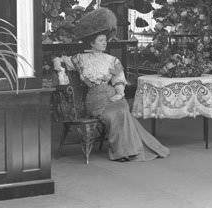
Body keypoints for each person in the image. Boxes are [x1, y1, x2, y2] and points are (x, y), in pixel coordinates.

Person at [58, 8, 169, 162]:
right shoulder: (80, 58)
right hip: (94, 100)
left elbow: (119, 79)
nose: (104, 43)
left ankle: (126, 152)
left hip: (111, 95)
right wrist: (58, 65)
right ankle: (124, 151)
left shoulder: (112, 60)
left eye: (105, 40)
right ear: (92, 42)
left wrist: (120, 93)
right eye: (101, 41)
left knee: (122, 111)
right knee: (117, 114)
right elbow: (62, 61)